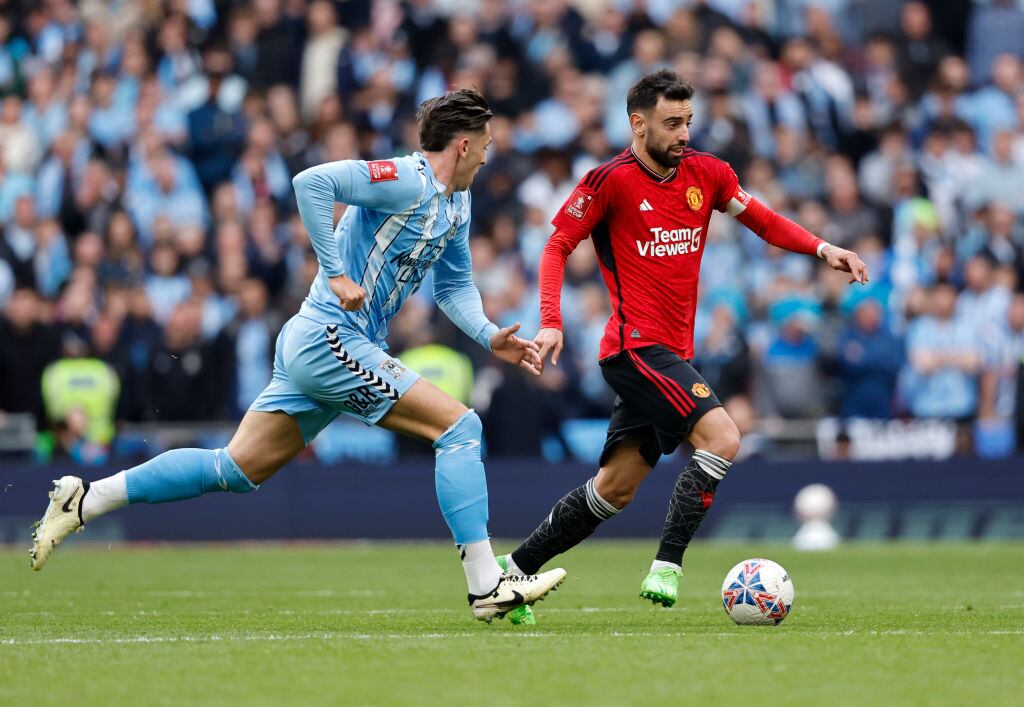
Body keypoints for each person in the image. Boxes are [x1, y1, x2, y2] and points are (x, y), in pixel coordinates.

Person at [29, 89, 566, 623]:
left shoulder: (457, 202)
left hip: (328, 344)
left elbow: (453, 287)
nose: (491, 153)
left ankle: (86, 499)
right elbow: (312, 182)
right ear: (464, 144)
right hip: (330, 337)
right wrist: (334, 271)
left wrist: (490, 334)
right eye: (487, 144)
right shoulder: (407, 179)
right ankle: (485, 586)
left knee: (234, 469)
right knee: (460, 429)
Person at [497, 70, 867, 618]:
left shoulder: (708, 174)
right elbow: (556, 248)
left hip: (672, 354)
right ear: (638, 123)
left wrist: (822, 248)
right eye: (672, 123)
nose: (684, 133)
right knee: (722, 437)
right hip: (632, 349)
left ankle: (512, 575)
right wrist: (551, 319)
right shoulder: (608, 181)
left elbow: (763, 222)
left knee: (614, 490)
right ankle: (667, 566)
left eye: (688, 121)